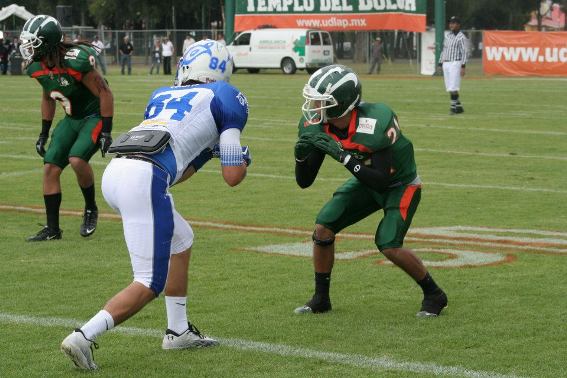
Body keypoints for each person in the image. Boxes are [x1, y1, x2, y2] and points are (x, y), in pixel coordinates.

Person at [60, 40, 251, 370]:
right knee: (149, 281)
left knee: (182, 238)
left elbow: (175, 168)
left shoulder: (161, 95)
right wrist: (239, 157)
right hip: (143, 179)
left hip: (118, 172)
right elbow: (232, 177)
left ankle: (178, 332)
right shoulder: (225, 97)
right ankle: (84, 336)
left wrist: (206, 152)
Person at [293, 64, 448, 317]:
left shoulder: (374, 120)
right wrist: (300, 159)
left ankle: (434, 293)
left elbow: (381, 181)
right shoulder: (318, 125)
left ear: (341, 103)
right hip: (365, 180)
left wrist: (342, 156)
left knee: (388, 243)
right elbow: (304, 181)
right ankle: (321, 298)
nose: (314, 107)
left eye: (322, 101)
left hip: (399, 183)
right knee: (323, 227)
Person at [19, 15, 114, 241]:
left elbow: (105, 93)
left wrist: (107, 131)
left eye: (33, 43)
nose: (28, 48)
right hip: (71, 119)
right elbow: (48, 97)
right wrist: (43, 132)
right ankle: (53, 230)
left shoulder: (76, 61)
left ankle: (90, 208)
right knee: (50, 167)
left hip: (93, 116)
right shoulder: (36, 66)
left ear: (48, 42)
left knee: (77, 160)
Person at [439, 16, 467, 115]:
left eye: (454, 23)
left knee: (453, 86)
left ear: (458, 24)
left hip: (455, 62)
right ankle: (459, 107)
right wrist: (440, 62)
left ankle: (453, 108)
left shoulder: (461, 37)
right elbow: (444, 49)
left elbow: (464, 52)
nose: (451, 25)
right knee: (449, 87)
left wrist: (463, 66)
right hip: (446, 62)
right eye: (450, 23)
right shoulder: (447, 36)